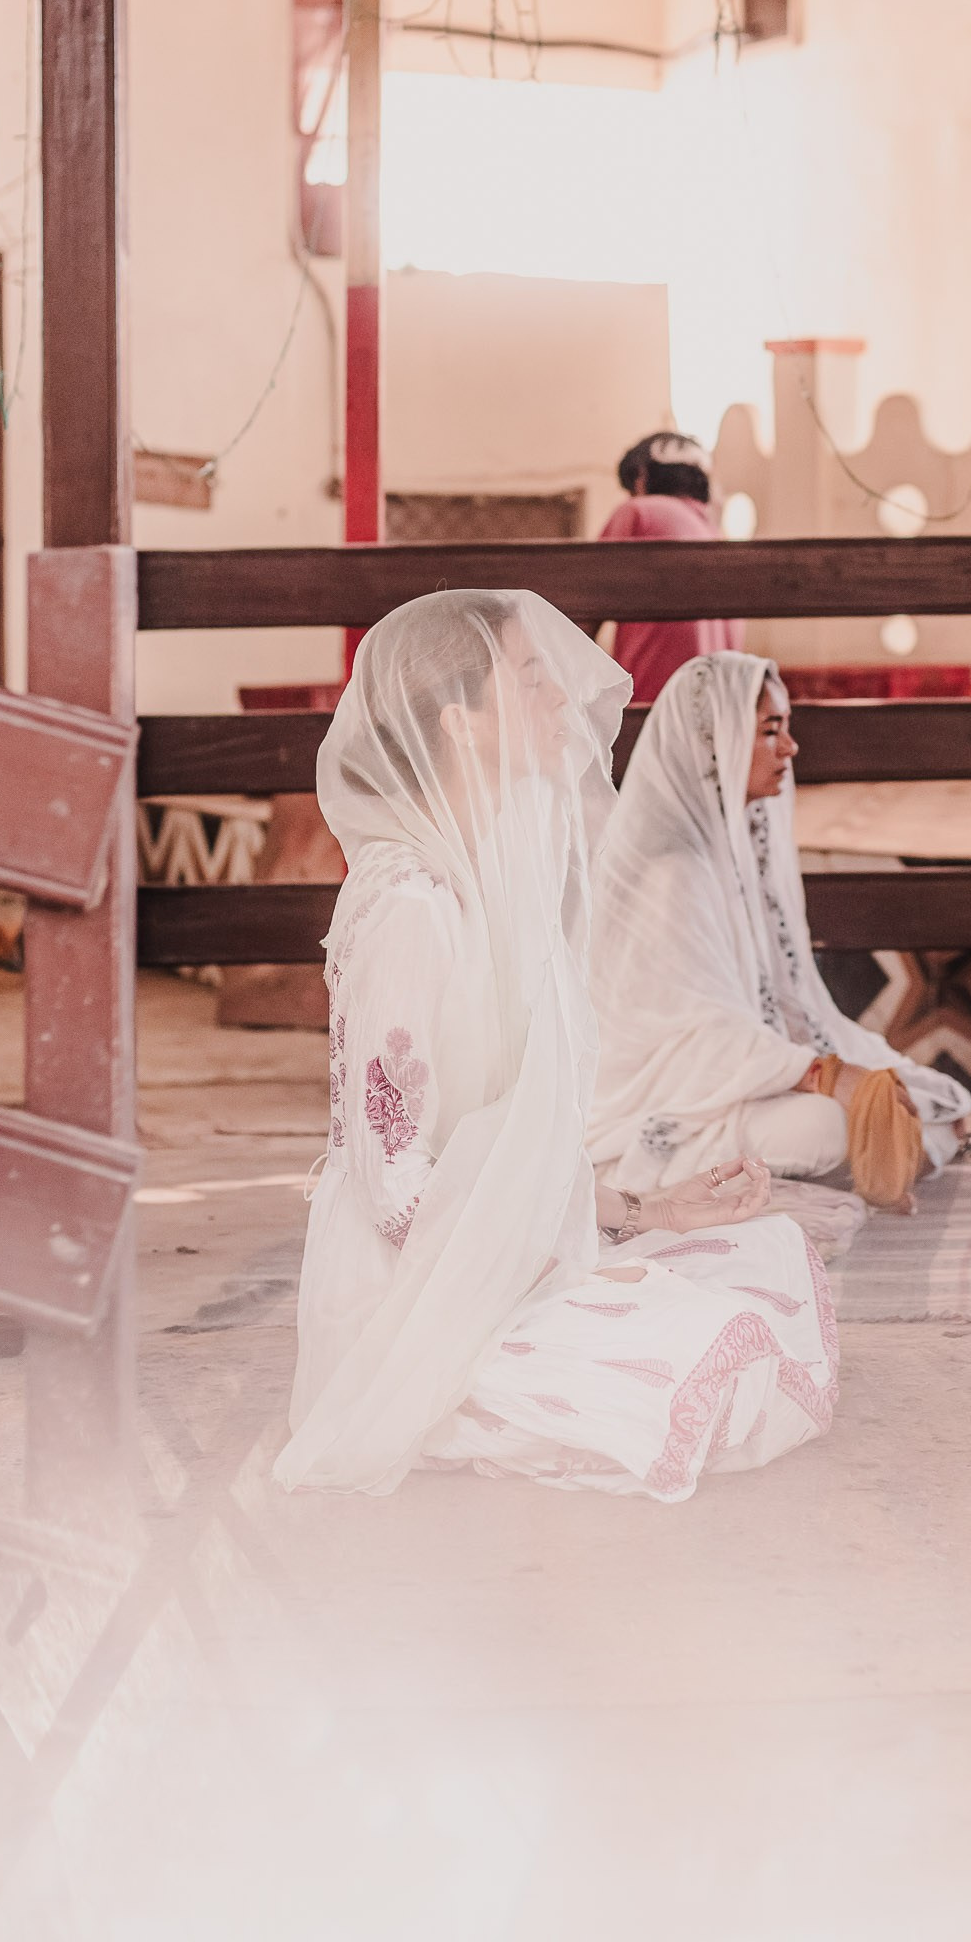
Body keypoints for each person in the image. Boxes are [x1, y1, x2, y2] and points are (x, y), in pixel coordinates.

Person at [274, 591, 837, 1500]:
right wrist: (546, 1266)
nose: (561, 702)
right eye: (531, 681)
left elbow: (493, 1146)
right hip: (413, 1292)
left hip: (485, 1240)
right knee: (700, 1358)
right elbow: (392, 1179)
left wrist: (641, 1212)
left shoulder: (486, 878)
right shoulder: (411, 907)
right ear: (462, 724)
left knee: (758, 1259)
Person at [589, 651, 971, 1215]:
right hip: (667, 1099)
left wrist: (846, 1072)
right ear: (715, 738)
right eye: (772, 731)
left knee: (938, 1101)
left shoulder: (730, 854)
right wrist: (824, 1077)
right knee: (825, 1127)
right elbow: (700, 1037)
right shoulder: (672, 870)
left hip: (749, 1075)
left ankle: (826, 1164)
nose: (790, 748)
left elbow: (784, 1011)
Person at [596, 430, 743, 706]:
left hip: (653, 706)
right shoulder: (713, 533)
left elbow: (587, 601)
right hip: (717, 711)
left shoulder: (639, 511)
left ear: (641, 477)